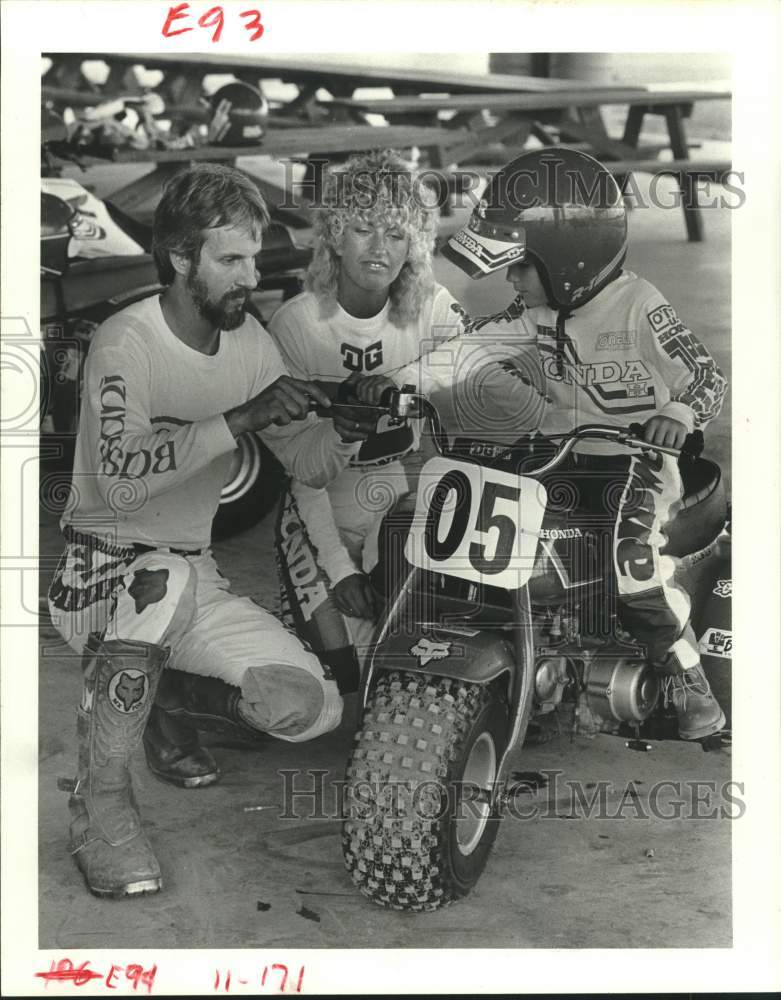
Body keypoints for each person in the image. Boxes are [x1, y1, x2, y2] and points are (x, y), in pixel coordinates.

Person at [47, 163, 372, 900]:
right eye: (230, 260)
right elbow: (123, 476)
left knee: (307, 706)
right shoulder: (126, 341)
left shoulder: (251, 343)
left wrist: (351, 427)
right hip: (99, 573)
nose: (249, 277)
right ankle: (99, 811)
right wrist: (237, 420)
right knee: (168, 579)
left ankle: (158, 697)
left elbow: (308, 463)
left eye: (254, 259)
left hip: (191, 578)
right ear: (179, 259)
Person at [375, 146, 728, 741]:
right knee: (486, 520)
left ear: (569, 261)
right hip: (560, 456)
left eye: (521, 265)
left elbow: (706, 377)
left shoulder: (639, 307)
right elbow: (467, 349)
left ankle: (686, 674)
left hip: (637, 464)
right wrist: (398, 384)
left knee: (628, 562)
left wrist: (676, 411)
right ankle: (515, 654)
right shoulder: (535, 309)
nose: (511, 279)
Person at [268, 149, 485, 692]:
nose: (379, 250)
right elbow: (302, 467)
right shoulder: (295, 323)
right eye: (363, 230)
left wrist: (405, 381)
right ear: (335, 238)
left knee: (420, 659)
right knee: (338, 680)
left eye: (395, 235)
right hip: (322, 501)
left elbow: (481, 356)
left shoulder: (430, 303)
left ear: (414, 243)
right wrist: (339, 568)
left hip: (404, 484)